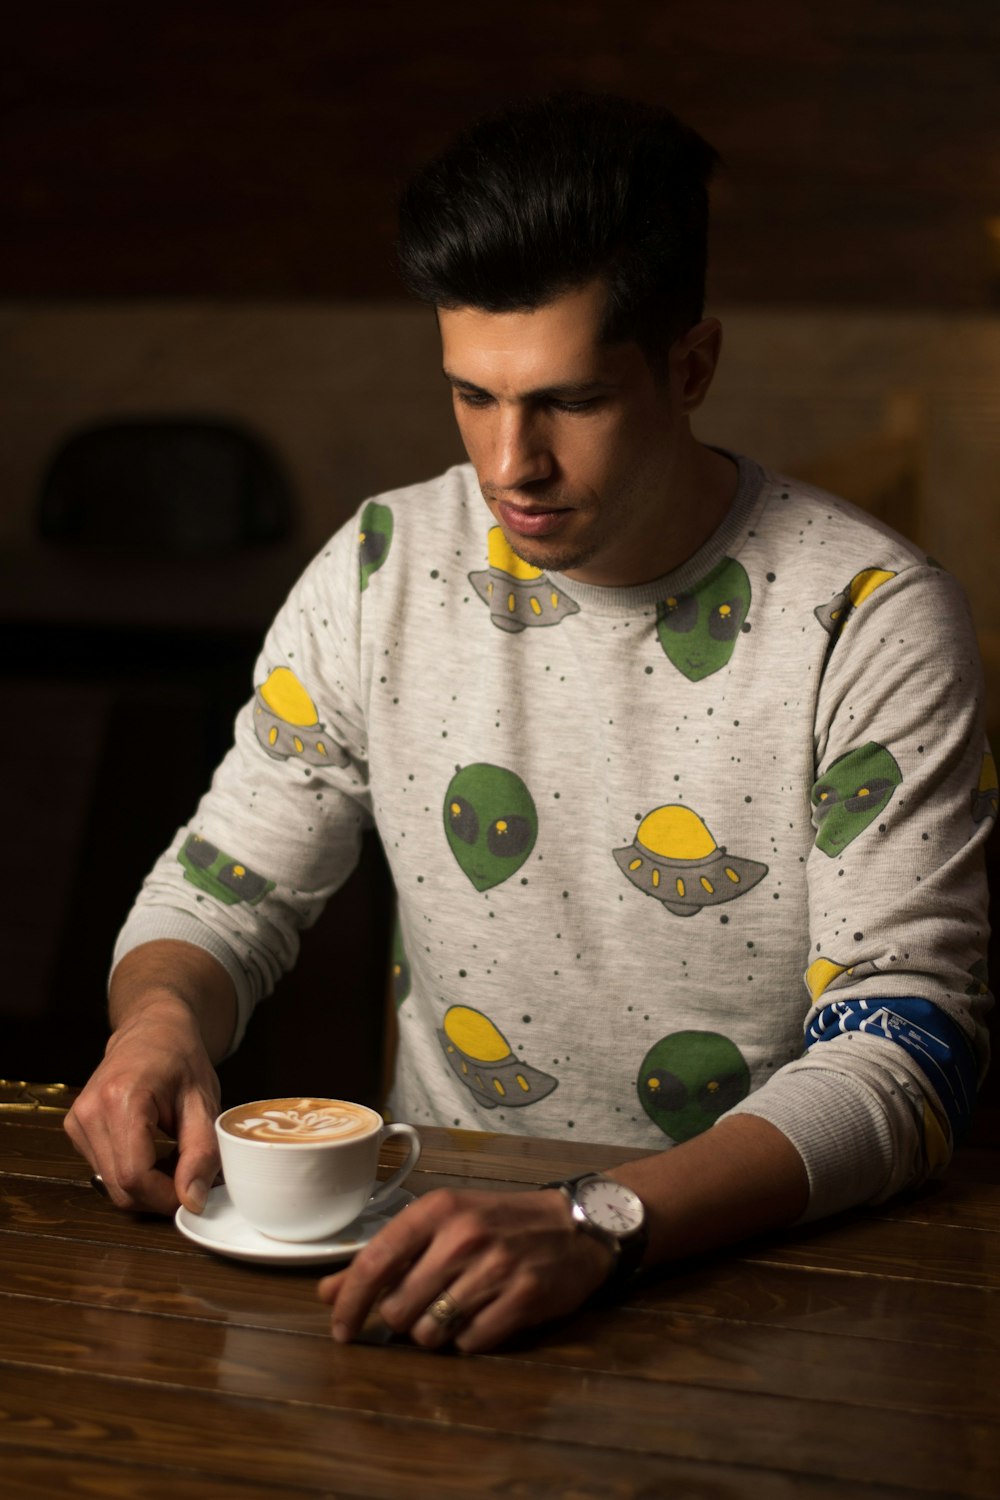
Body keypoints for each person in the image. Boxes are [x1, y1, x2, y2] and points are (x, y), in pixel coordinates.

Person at [66, 91, 995, 1353]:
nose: (511, 465)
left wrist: (599, 1218)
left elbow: (911, 1050)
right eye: (472, 396)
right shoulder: (381, 565)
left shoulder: (871, 620)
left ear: (691, 366)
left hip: (776, 1283)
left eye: (568, 401)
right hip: (424, 1272)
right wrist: (159, 1022)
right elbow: (222, 884)